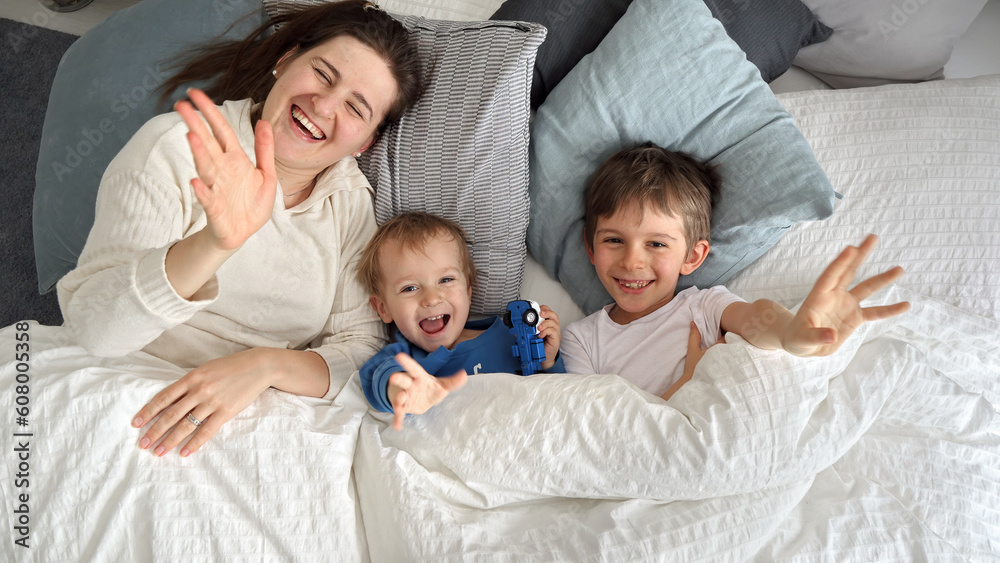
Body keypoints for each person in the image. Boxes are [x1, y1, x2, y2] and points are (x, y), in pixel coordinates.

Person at [55, 0, 423, 456]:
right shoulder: (174, 149)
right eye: (324, 75)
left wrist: (263, 366)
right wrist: (214, 244)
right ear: (285, 61)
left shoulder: (348, 203)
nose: (324, 106)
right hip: (125, 388)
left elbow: (363, 351)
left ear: (366, 142)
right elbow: (96, 332)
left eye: (356, 107)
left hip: (257, 413)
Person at [561, 142, 911, 400]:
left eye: (656, 244)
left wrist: (791, 332)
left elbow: (756, 318)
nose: (631, 262)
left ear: (693, 257)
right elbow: (592, 426)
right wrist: (685, 386)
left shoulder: (703, 307)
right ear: (590, 247)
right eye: (614, 240)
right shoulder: (581, 339)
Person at [356, 212, 565, 430]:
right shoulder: (403, 360)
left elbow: (555, 403)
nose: (431, 298)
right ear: (383, 308)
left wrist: (548, 362)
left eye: (445, 280)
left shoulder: (512, 337)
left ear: (467, 291)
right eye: (410, 288)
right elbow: (376, 378)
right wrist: (403, 390)